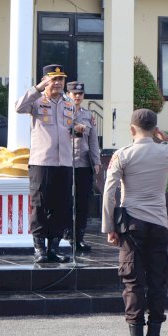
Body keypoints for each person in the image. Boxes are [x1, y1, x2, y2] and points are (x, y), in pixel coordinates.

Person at [102, 109, 168, 336]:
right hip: (159, 223)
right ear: (155, 128)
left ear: (132, 129)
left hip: (131, 224)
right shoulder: (166, 150)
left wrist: (109, 227)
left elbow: (109, 192)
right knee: (157, 279)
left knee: (133, 280)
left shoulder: (123, 154)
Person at [15, 64, 74, 263]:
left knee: (61, 206)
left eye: (61, 79)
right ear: (45, 80)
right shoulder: (37, 101)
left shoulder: (69, 105)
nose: (57, 83)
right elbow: (19, 107)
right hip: (42, 162)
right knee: (39, 205)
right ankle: (39, 249)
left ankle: (54, 249)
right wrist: (38, 88)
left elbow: (71, 129)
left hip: (64, 163)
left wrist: (77, 130)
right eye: (53, 79)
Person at [65, 81, 101, 252]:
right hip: (65, 161)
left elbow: (93, 140)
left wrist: (97, 161)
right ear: (68, 94)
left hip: (84, 162)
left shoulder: (88, 115)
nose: (77, 97)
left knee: (82, 202)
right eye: (74, 94)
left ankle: (79, 237)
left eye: (80, 94)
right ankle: (65, 236)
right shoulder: (62, 112)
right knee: (66, 200)